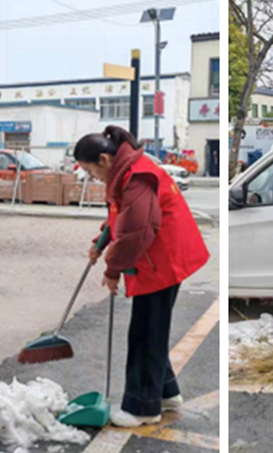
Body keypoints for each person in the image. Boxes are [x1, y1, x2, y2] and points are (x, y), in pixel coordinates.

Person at [73, 125, 209, 428]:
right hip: (161, 259)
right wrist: (104, 241)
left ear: (105, 160)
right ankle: (165, 392)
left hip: (162, 263)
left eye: (91, 171)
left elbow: (137, 232)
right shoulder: (128, 170)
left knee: (145, 334)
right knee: (152, 330)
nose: (92, 177)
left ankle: (143, 408)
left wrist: (112, 270)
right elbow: (125, 217)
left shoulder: (137, 178)